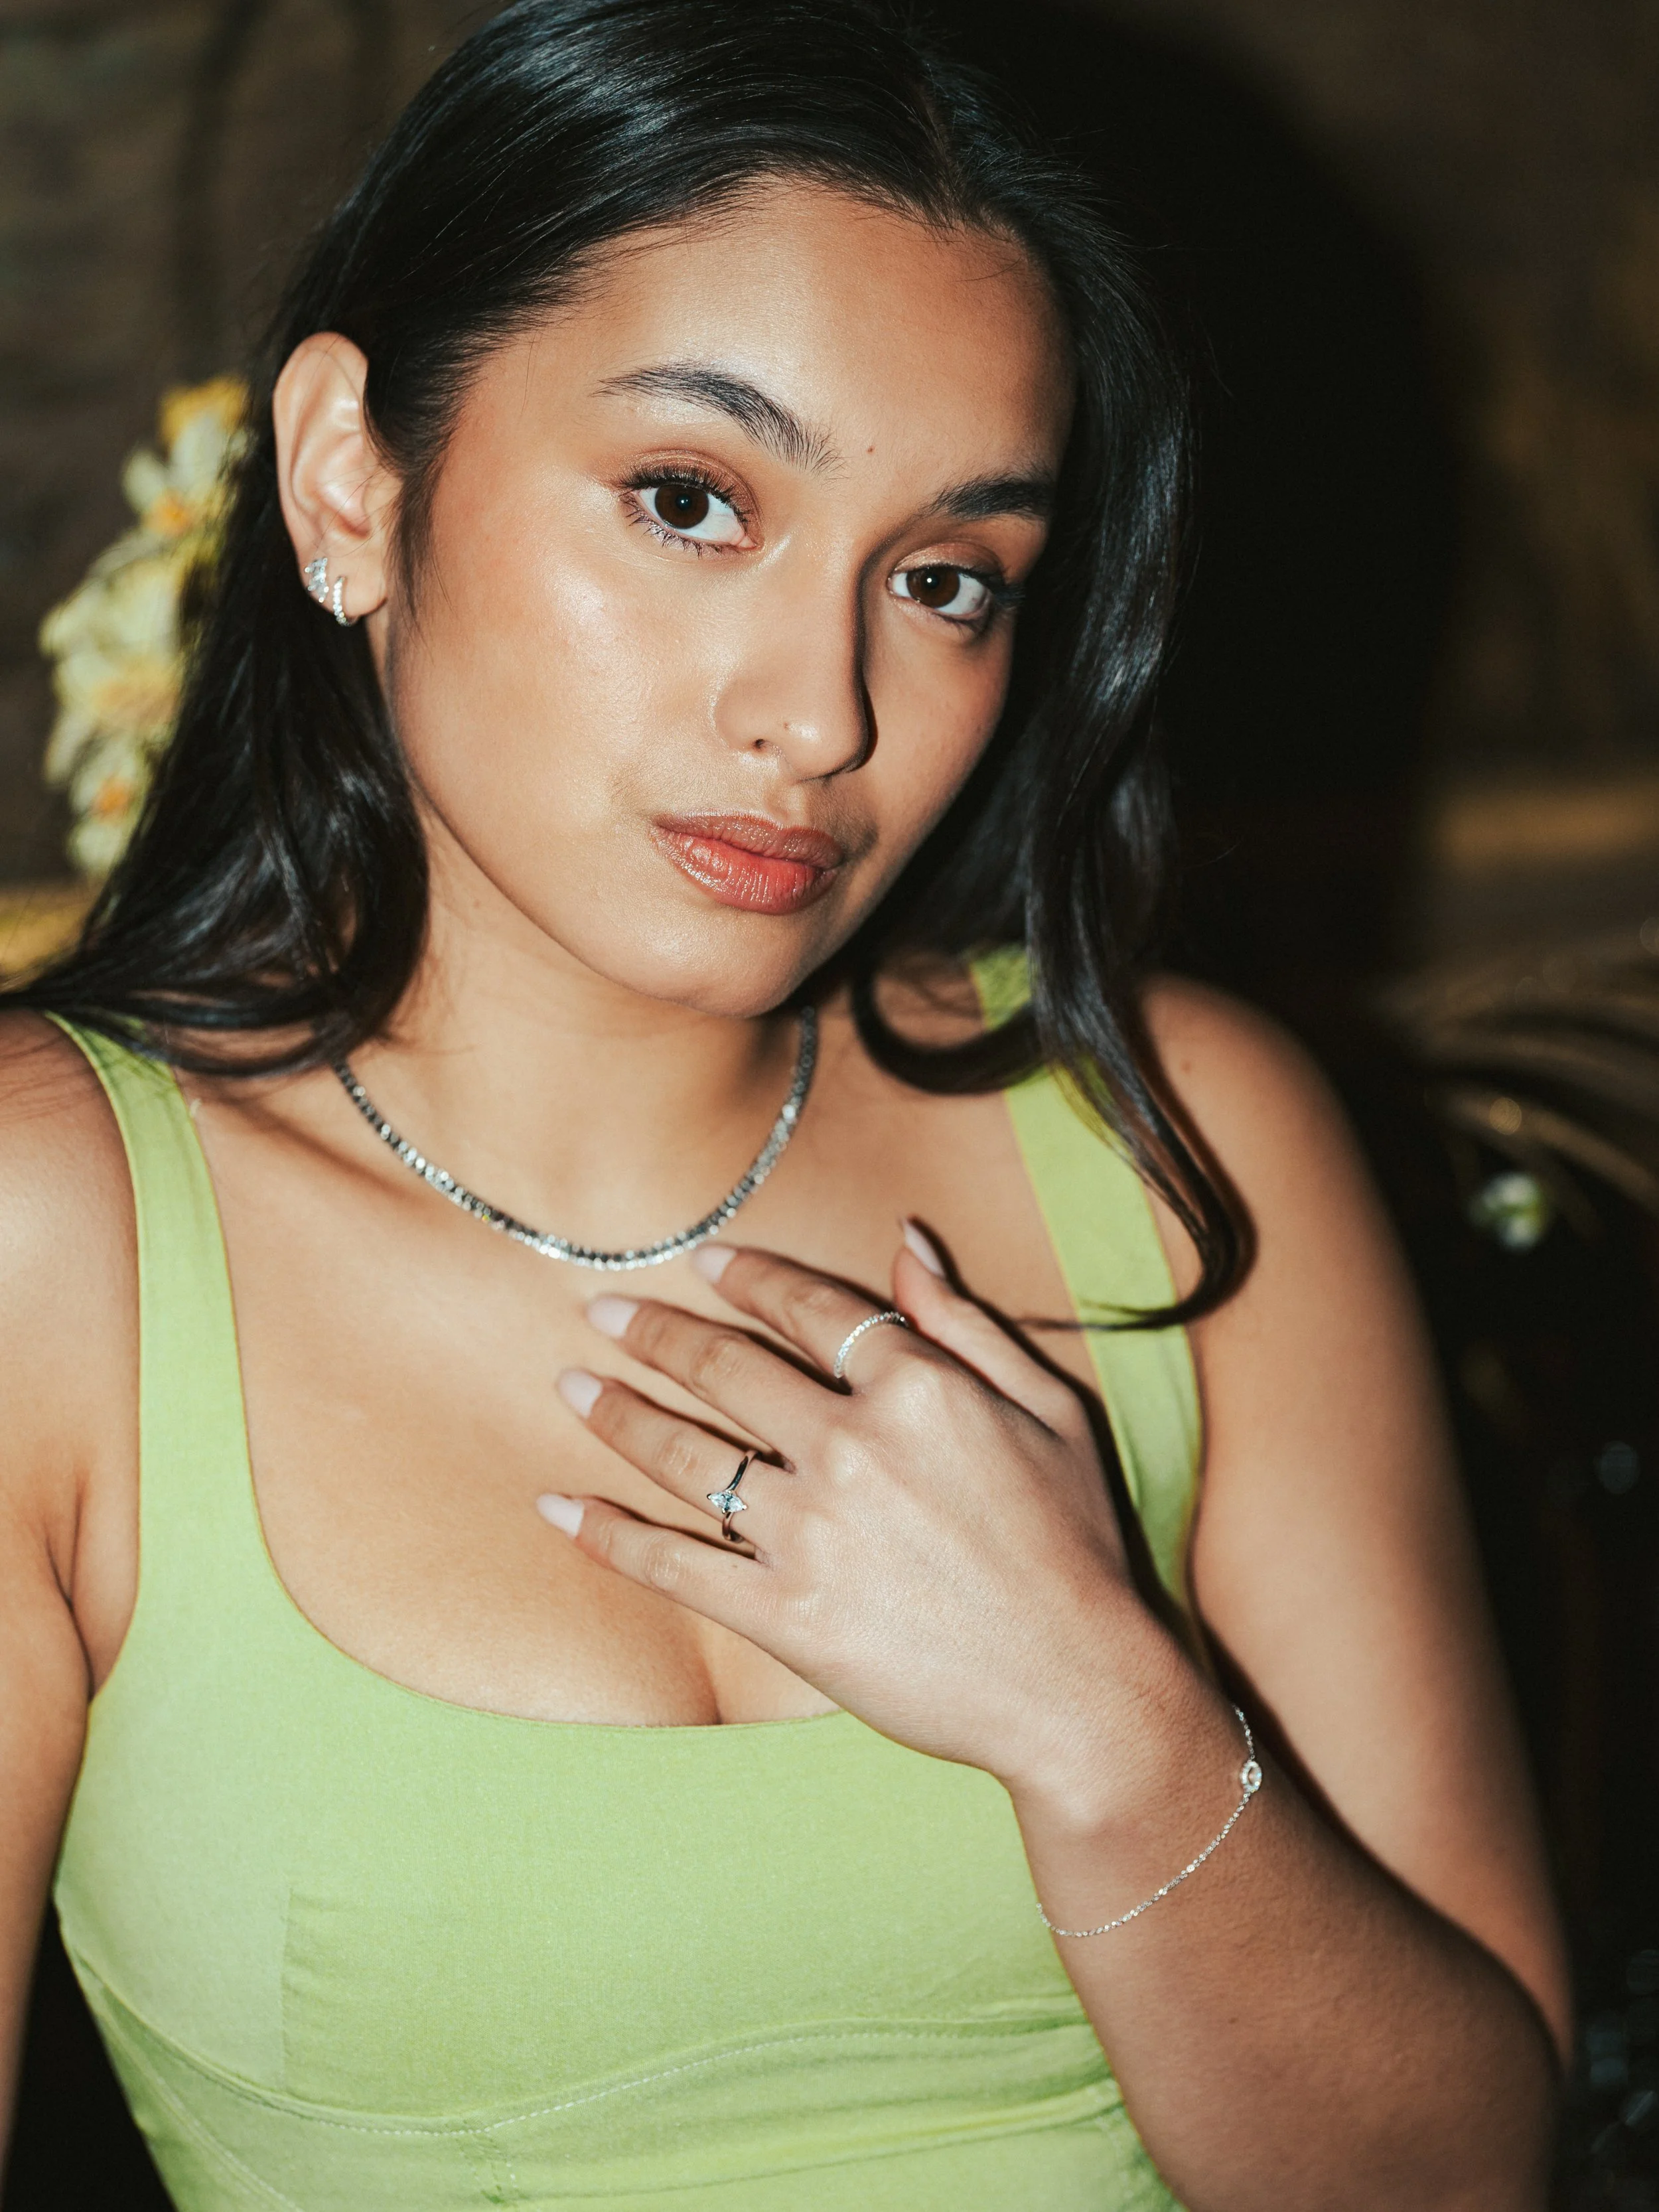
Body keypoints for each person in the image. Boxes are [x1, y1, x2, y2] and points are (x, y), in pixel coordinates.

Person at [0, 1, 1569, 2205]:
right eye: (689, 498)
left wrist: (1101, 1717)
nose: (820, 711)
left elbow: (1456, 2175)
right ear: (350, 474)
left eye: (945, 580)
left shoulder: (1180, 1147)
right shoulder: (49, 1226)